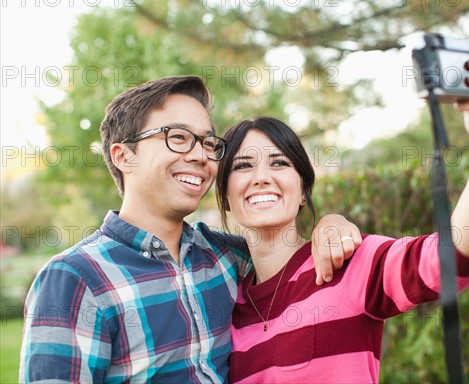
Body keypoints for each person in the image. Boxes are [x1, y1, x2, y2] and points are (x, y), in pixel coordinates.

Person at [19, 76, 361, 383]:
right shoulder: (75, 279)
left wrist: (330, 223)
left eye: (208, 143)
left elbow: (289, 249)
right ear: (124, 157)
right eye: (178, 137)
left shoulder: (228, 257)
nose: (201, 156)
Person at [216, 39, 469, 383]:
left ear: (303, 191)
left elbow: (452, 259)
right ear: (225, 195)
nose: (261, 178)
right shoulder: (226, 300)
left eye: (279, 162)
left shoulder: (346, 263)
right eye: (243, 166)